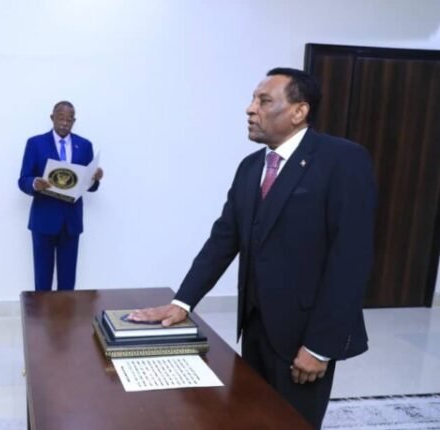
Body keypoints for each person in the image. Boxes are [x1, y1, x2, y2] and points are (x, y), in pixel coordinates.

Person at [129, 68, 376, 429]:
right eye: (252, 100)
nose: (250, 109)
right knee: (254, 417)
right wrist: (182, 303)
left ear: (299, 111)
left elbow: (350, 261)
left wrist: (320, 347)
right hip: (255, 326)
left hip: (304, 334)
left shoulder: (342, 160)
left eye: (264, 101)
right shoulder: (250, 167)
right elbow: (223, 240)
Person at [18, 101, 104, 291]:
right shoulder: (35, 144)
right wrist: (35, 184)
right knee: (42, 281)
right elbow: (23, 180)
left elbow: (89, 186)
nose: (65, 123)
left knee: (67, 283)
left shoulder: (85, 145)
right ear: (52, 118)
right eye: (61, 118)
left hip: (71, 223)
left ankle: (65, 312)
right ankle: (42, 312)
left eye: (69, 119)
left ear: (74, 121)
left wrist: (95, 179)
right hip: (43, 221)